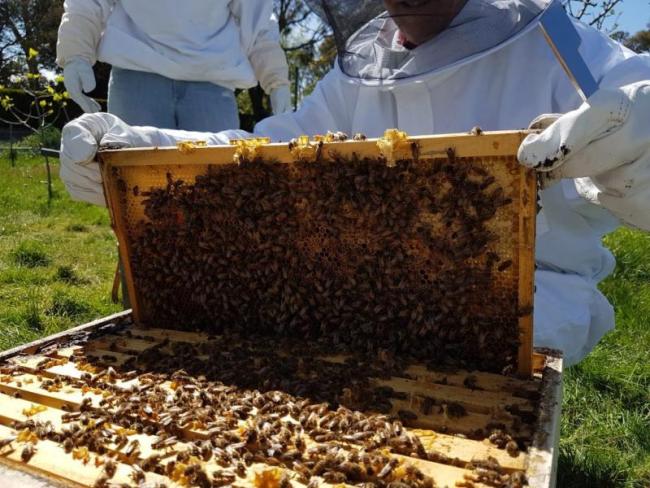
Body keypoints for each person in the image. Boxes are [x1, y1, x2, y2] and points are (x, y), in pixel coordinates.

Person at [59, 0, 650, 366]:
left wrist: (639, 149)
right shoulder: (359, 71)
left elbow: (632, 94)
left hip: (527, 299)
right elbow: (269, 153)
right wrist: (137, 150)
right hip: (372, 296)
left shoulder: (560, 46)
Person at [56, 0, 292, 131]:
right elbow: (86, 3)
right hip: (136, 76)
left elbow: (258, 19)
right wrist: (76, 54)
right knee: (138, 186)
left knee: (213, 188)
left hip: (212, 84)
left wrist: (276, 79)